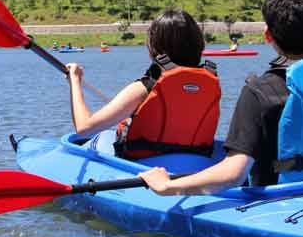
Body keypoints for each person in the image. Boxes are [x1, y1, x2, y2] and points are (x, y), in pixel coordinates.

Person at [139, 0, 303, 195]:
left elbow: (233, 173)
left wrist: (167, 185)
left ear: (268, 35)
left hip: (282, 206)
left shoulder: (260, 92)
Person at [66, 9, 221, 158]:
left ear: (155, 46)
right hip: (197, 164)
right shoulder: (210, 84)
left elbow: (84, 128)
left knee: (98, 140)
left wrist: (75, 80)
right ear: (198, 43)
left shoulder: (145, 88)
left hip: (147, 167)